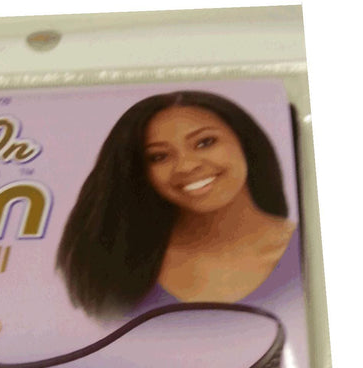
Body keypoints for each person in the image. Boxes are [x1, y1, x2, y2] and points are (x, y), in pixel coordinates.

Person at [57, 90, 296, 316]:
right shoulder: (115, 267)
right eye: (159, 156)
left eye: (205, 142)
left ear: (244, 141)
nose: (186, 166)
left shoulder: (309, 250)